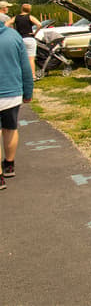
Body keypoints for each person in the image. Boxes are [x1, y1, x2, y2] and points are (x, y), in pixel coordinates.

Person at [0, 20, 34, 190]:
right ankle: (9, 164)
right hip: (11, 93)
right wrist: (28, 91)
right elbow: (25, 68)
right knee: (10, 129)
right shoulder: (13, 36)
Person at [5, 3, 41, 80]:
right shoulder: (30, 17)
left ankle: (20, 75)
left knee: (20, 59)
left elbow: (6, 24)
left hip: (20, 39)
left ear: (21, 9)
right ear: (29, 10)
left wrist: (12, 32)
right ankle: (32, 75)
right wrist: (35, 33)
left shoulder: (16, 17)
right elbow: (39, 24)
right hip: (29, 38)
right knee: (31, 59)